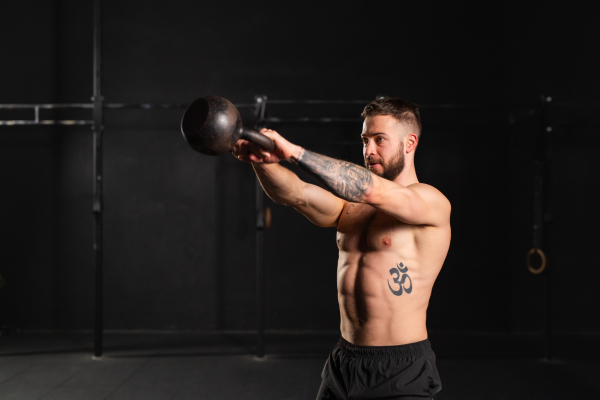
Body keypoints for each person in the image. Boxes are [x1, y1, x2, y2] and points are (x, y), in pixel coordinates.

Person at [233, 97, 451, 399]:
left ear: (409, 142)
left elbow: (371, 189)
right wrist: (263, 162)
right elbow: (297, 194)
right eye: (365, 139)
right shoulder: (353, 207)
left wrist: (294, 152)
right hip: (345, 362)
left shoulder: (430, 203)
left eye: (379, 140)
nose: (369, 150)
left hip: (400, 369)